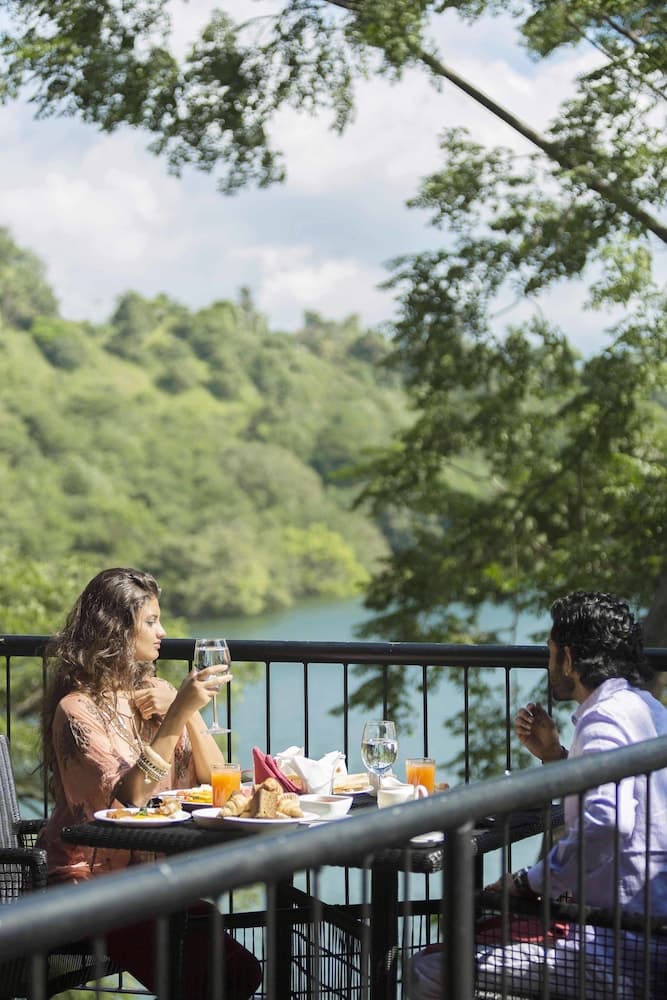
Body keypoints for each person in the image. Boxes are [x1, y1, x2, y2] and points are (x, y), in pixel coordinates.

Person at [407, 590, 667, 999]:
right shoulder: (647, 709)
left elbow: (608, 820)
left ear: (569, 658)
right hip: (647, 932)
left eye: (550, 653)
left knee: (430, 967)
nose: (548, 665)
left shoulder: (603, 720)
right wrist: (556, 757)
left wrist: (530, 883)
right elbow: (616, 789)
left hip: (620, 951)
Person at [38, 567, 262, 999]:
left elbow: (220, 782)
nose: (163, 633)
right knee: (207, 979)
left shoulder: (156, 691)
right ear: (117, 630)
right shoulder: (77, 709)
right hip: (93, 887)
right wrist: (177, 713)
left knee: (239, 971)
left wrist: (186, 711)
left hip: (154, 881)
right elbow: (131, 797)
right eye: (152, 621)